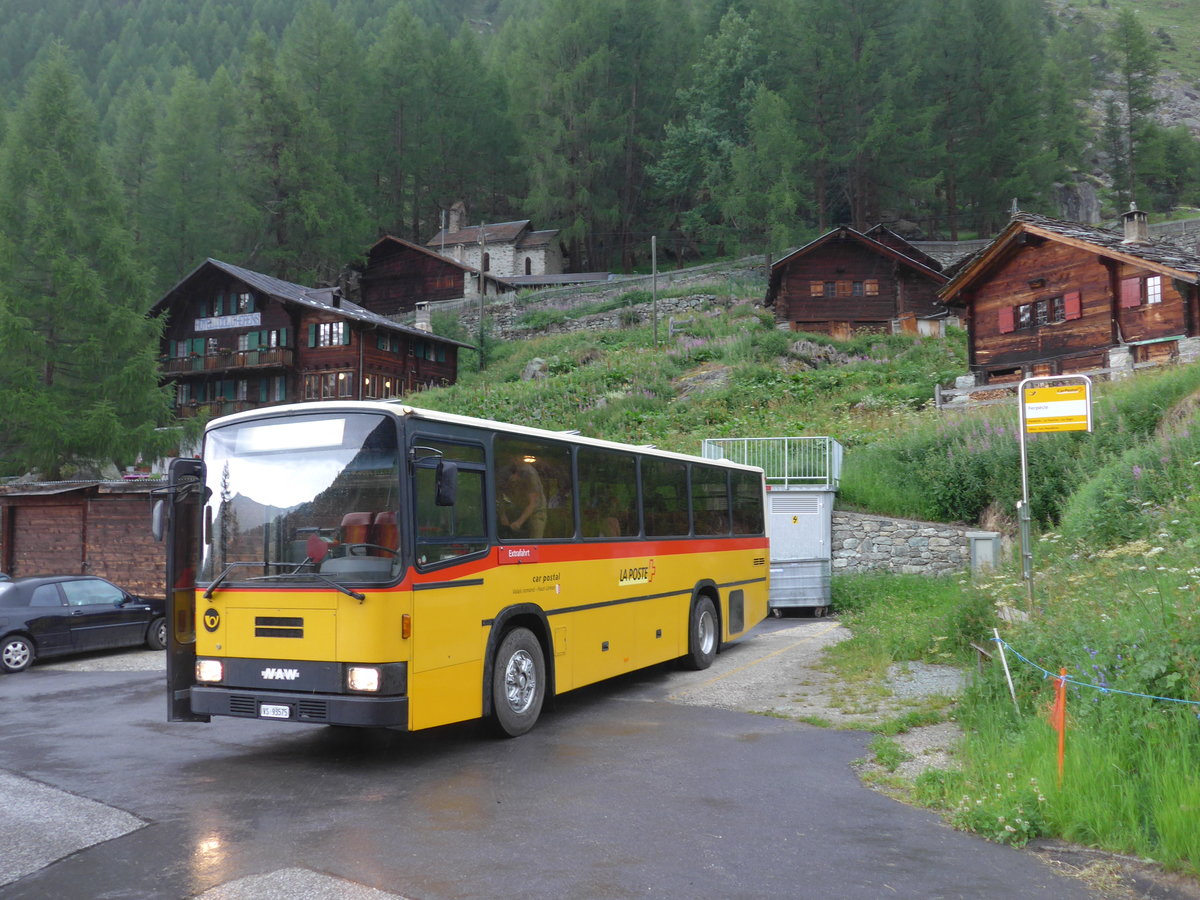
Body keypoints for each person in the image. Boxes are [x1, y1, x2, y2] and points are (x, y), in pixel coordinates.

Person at [499, 456, 547, 539]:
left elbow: (533, 503)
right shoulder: (504, 473)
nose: (511, 485)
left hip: (536, 511)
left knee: (535, 540)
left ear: (517, 475)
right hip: (519, 509)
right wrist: (503, 516)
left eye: (512, 483)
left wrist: (519, 522)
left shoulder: (529, 474)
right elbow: (500, 496)